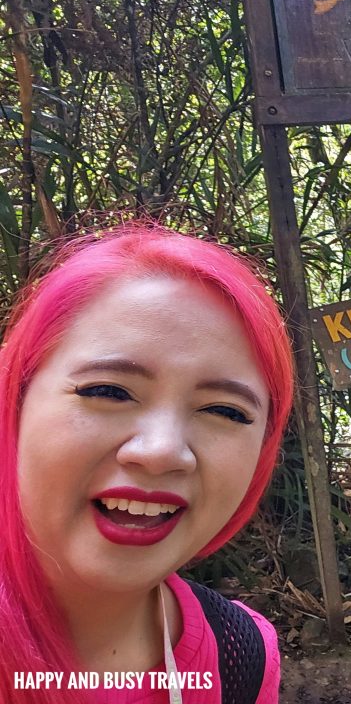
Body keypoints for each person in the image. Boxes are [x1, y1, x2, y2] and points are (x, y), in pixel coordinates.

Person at [0, 226, 295, 704]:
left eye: (223, 410)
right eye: (108, 391)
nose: (161, 452)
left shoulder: (241, 656)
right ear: (15, 402)